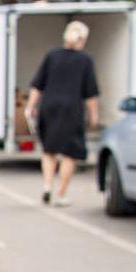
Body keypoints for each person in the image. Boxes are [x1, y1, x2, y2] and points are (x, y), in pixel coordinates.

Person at [25, 20, 100, 206]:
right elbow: (90, 93)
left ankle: (47, 186)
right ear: (82, 39)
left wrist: (30, 106)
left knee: (49, 151)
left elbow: (38, 85)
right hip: (71, 109)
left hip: (49, 106)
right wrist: (93, 115)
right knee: (69, 153)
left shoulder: (52, 55)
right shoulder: (85, 60)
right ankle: (61, 194)